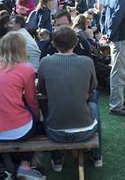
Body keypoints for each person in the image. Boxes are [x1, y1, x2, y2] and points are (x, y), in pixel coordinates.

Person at [38, 26, 103, 170]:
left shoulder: (45, 62)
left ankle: (57, 159)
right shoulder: (87, 61)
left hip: (55, 131)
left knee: (47, 107)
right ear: (75, 43)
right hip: (85, 130)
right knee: (94, 105)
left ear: (53, 44)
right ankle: (97, 156)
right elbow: (92, 88)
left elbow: (41, 90)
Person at [0, 32, 45, 180]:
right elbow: (32, 100)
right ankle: (25, 164)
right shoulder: (27, 69)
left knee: (21, 119)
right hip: (18, 130)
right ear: (21, 48)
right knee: (40, 126)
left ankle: (9, 165)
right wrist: (36, 118)